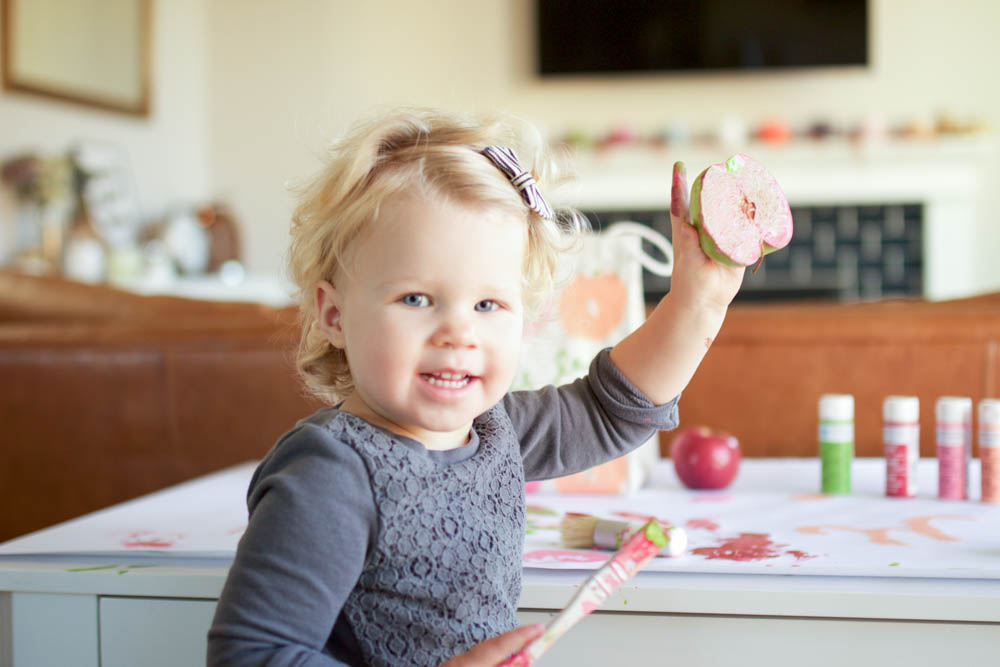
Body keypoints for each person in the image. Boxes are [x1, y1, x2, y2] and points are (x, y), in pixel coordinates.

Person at [207, 107, 744, 666]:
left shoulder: (496, 431)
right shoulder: (331, 474)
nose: (458, 333)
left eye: (488, 304)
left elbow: (614, 411)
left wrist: (698, 302)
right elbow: (252, 656)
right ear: (334, 315)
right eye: (416, 299)